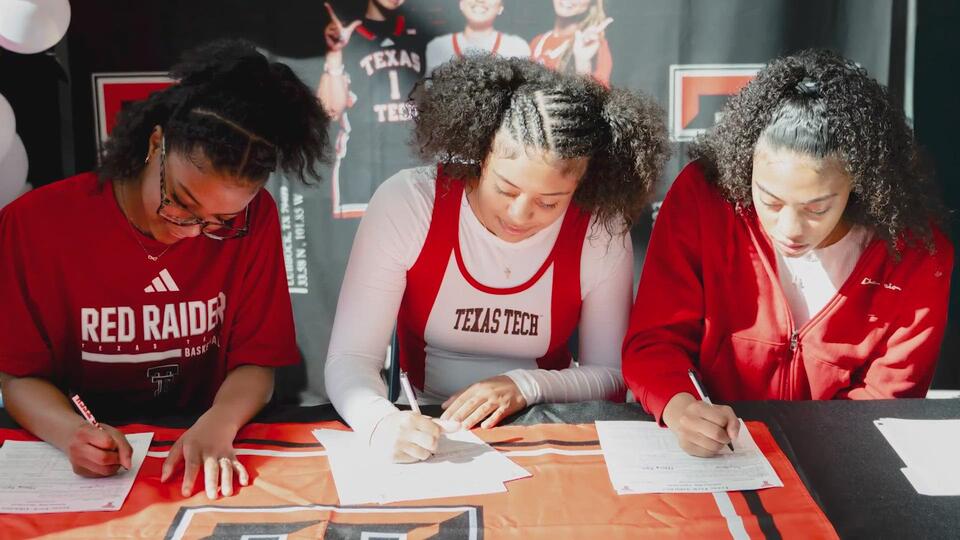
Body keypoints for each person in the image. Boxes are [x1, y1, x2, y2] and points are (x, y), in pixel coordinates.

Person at [0, 40, 329, 498]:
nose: (192, 232)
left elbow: (256, 363)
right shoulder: (37, 223)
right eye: (180, 202)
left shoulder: (257, 219)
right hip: (84, 459)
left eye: (221, 221)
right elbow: (17, 377)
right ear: (157, 144)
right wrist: (70, 432)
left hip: (196, 445)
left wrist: (220, 421)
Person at [325, 55, 668, 463]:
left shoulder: (599, 229)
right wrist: (379, 422)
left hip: (548, 429)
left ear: (581, 186)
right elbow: (351, 359)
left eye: (549, 202)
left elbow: (611, 376)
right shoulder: (410, 204)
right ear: (481, 155)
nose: (520, 215)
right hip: (425, 425)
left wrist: (524, 386)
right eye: (506, 190)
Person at [622, 49, 954, 457]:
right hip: (718, 456)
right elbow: (654, 340)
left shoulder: (915, 254)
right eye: (770, 201)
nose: (790, 229)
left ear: (859, 183)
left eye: (817, 208)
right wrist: (679, 406)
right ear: (745, 167)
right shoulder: (702, 199)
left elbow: (890, 396)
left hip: (842, 458)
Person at [317, 0, 427, 217]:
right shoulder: (346, 36)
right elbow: (329, 110)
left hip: (418, 171)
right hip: (363, 172)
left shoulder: (424, 35)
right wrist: (335, 54)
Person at [425, 0, 531, 75]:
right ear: (461, 3)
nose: (480, 0)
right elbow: (428, 93)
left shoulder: (517, 47)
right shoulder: (438, 46)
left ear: (500, 8)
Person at [530, 0, 613, 85]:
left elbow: (596, 92)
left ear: (592, 2)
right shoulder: (538, 42)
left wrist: (582, 62)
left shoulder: (593, 45)